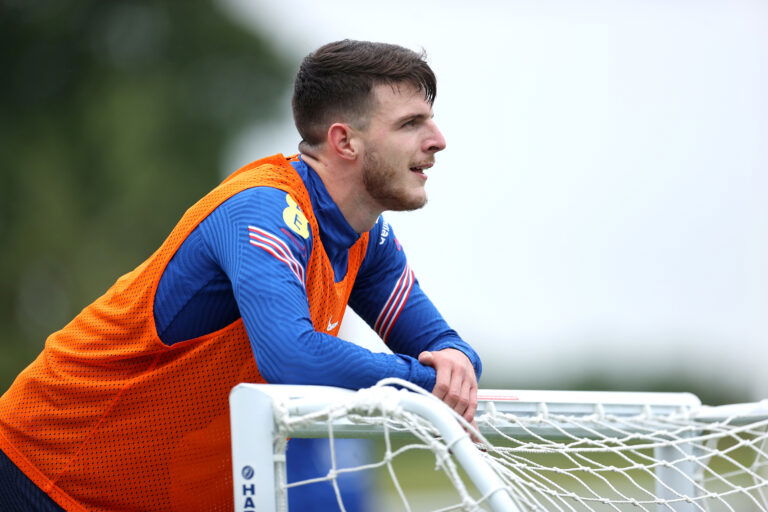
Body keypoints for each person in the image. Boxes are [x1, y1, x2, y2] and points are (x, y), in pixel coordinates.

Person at [0, 39, 482, 511]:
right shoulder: (264, 208)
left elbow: (450, 354)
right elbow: (295, 360)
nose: (437, 140)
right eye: (411, 123)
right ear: (344, 141)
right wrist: (426, 380)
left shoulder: (369, 240)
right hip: (41, 474)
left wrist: (451, 369)